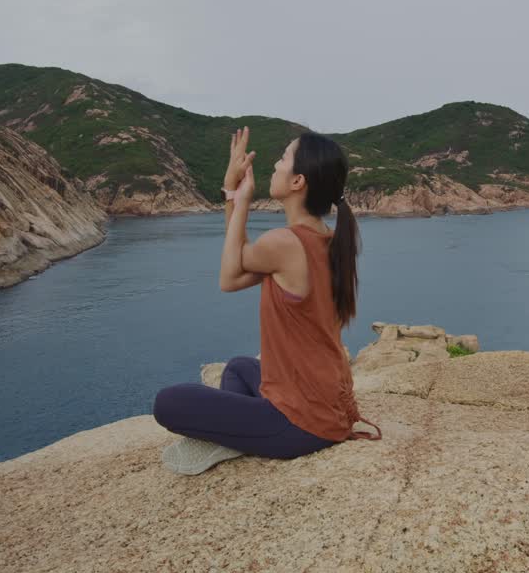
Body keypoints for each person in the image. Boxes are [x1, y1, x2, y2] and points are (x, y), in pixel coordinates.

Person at [152, 126, 382, 475]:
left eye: (282, 158)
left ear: (297, 181)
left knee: (168, 402)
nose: (274, 165)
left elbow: (229, 278)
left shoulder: (284, 243)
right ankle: (237, 432)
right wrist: (233, 194)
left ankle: (233, 437)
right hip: (327, 406)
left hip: (300, 426)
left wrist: (238, 198)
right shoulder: (328, 240)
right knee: (240, 368)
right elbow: (242, 260)